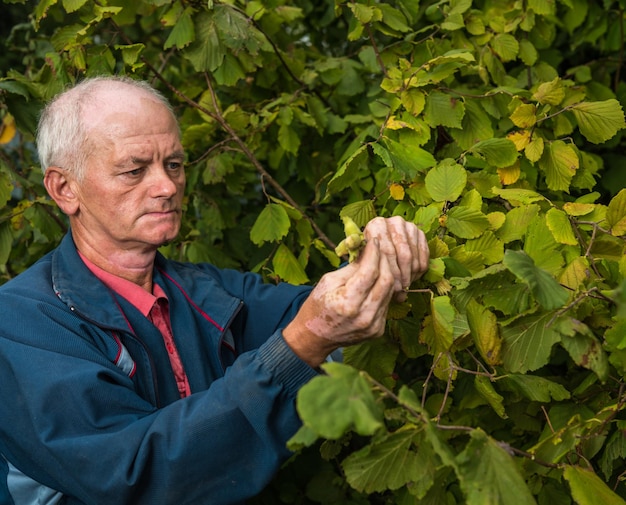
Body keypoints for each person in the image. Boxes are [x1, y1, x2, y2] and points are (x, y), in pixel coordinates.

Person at [0, 76, 429, 505]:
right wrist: (300, 346)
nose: (167, 187)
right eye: (135, 170)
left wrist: (378, 253)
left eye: (174, 164)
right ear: (64, 189)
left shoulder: (204, 290)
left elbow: (316, 310)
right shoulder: (25, 321)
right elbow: (133, 474)